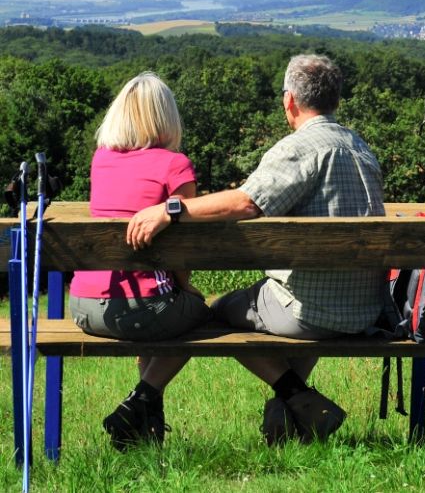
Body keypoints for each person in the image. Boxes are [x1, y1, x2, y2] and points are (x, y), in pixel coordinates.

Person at [127, 53, 389, 445]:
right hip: (366, 307)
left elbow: (247, 202)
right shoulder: (360, 147)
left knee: (216, 314)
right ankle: (289, 421)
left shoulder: (299, 149)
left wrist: (172, 208)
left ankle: (295, 398)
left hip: (309, 312)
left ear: (290, 102)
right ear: (335, 99)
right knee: (305, 293)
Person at [69, 72, 211, 450]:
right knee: (201, 317)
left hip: (82, 306)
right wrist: (186, 287)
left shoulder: (101, 159)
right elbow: (183, 249)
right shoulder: (174, 164)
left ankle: (143, 431)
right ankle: (137, 406)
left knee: (163, 317)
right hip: (137, 309)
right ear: (167, 117)